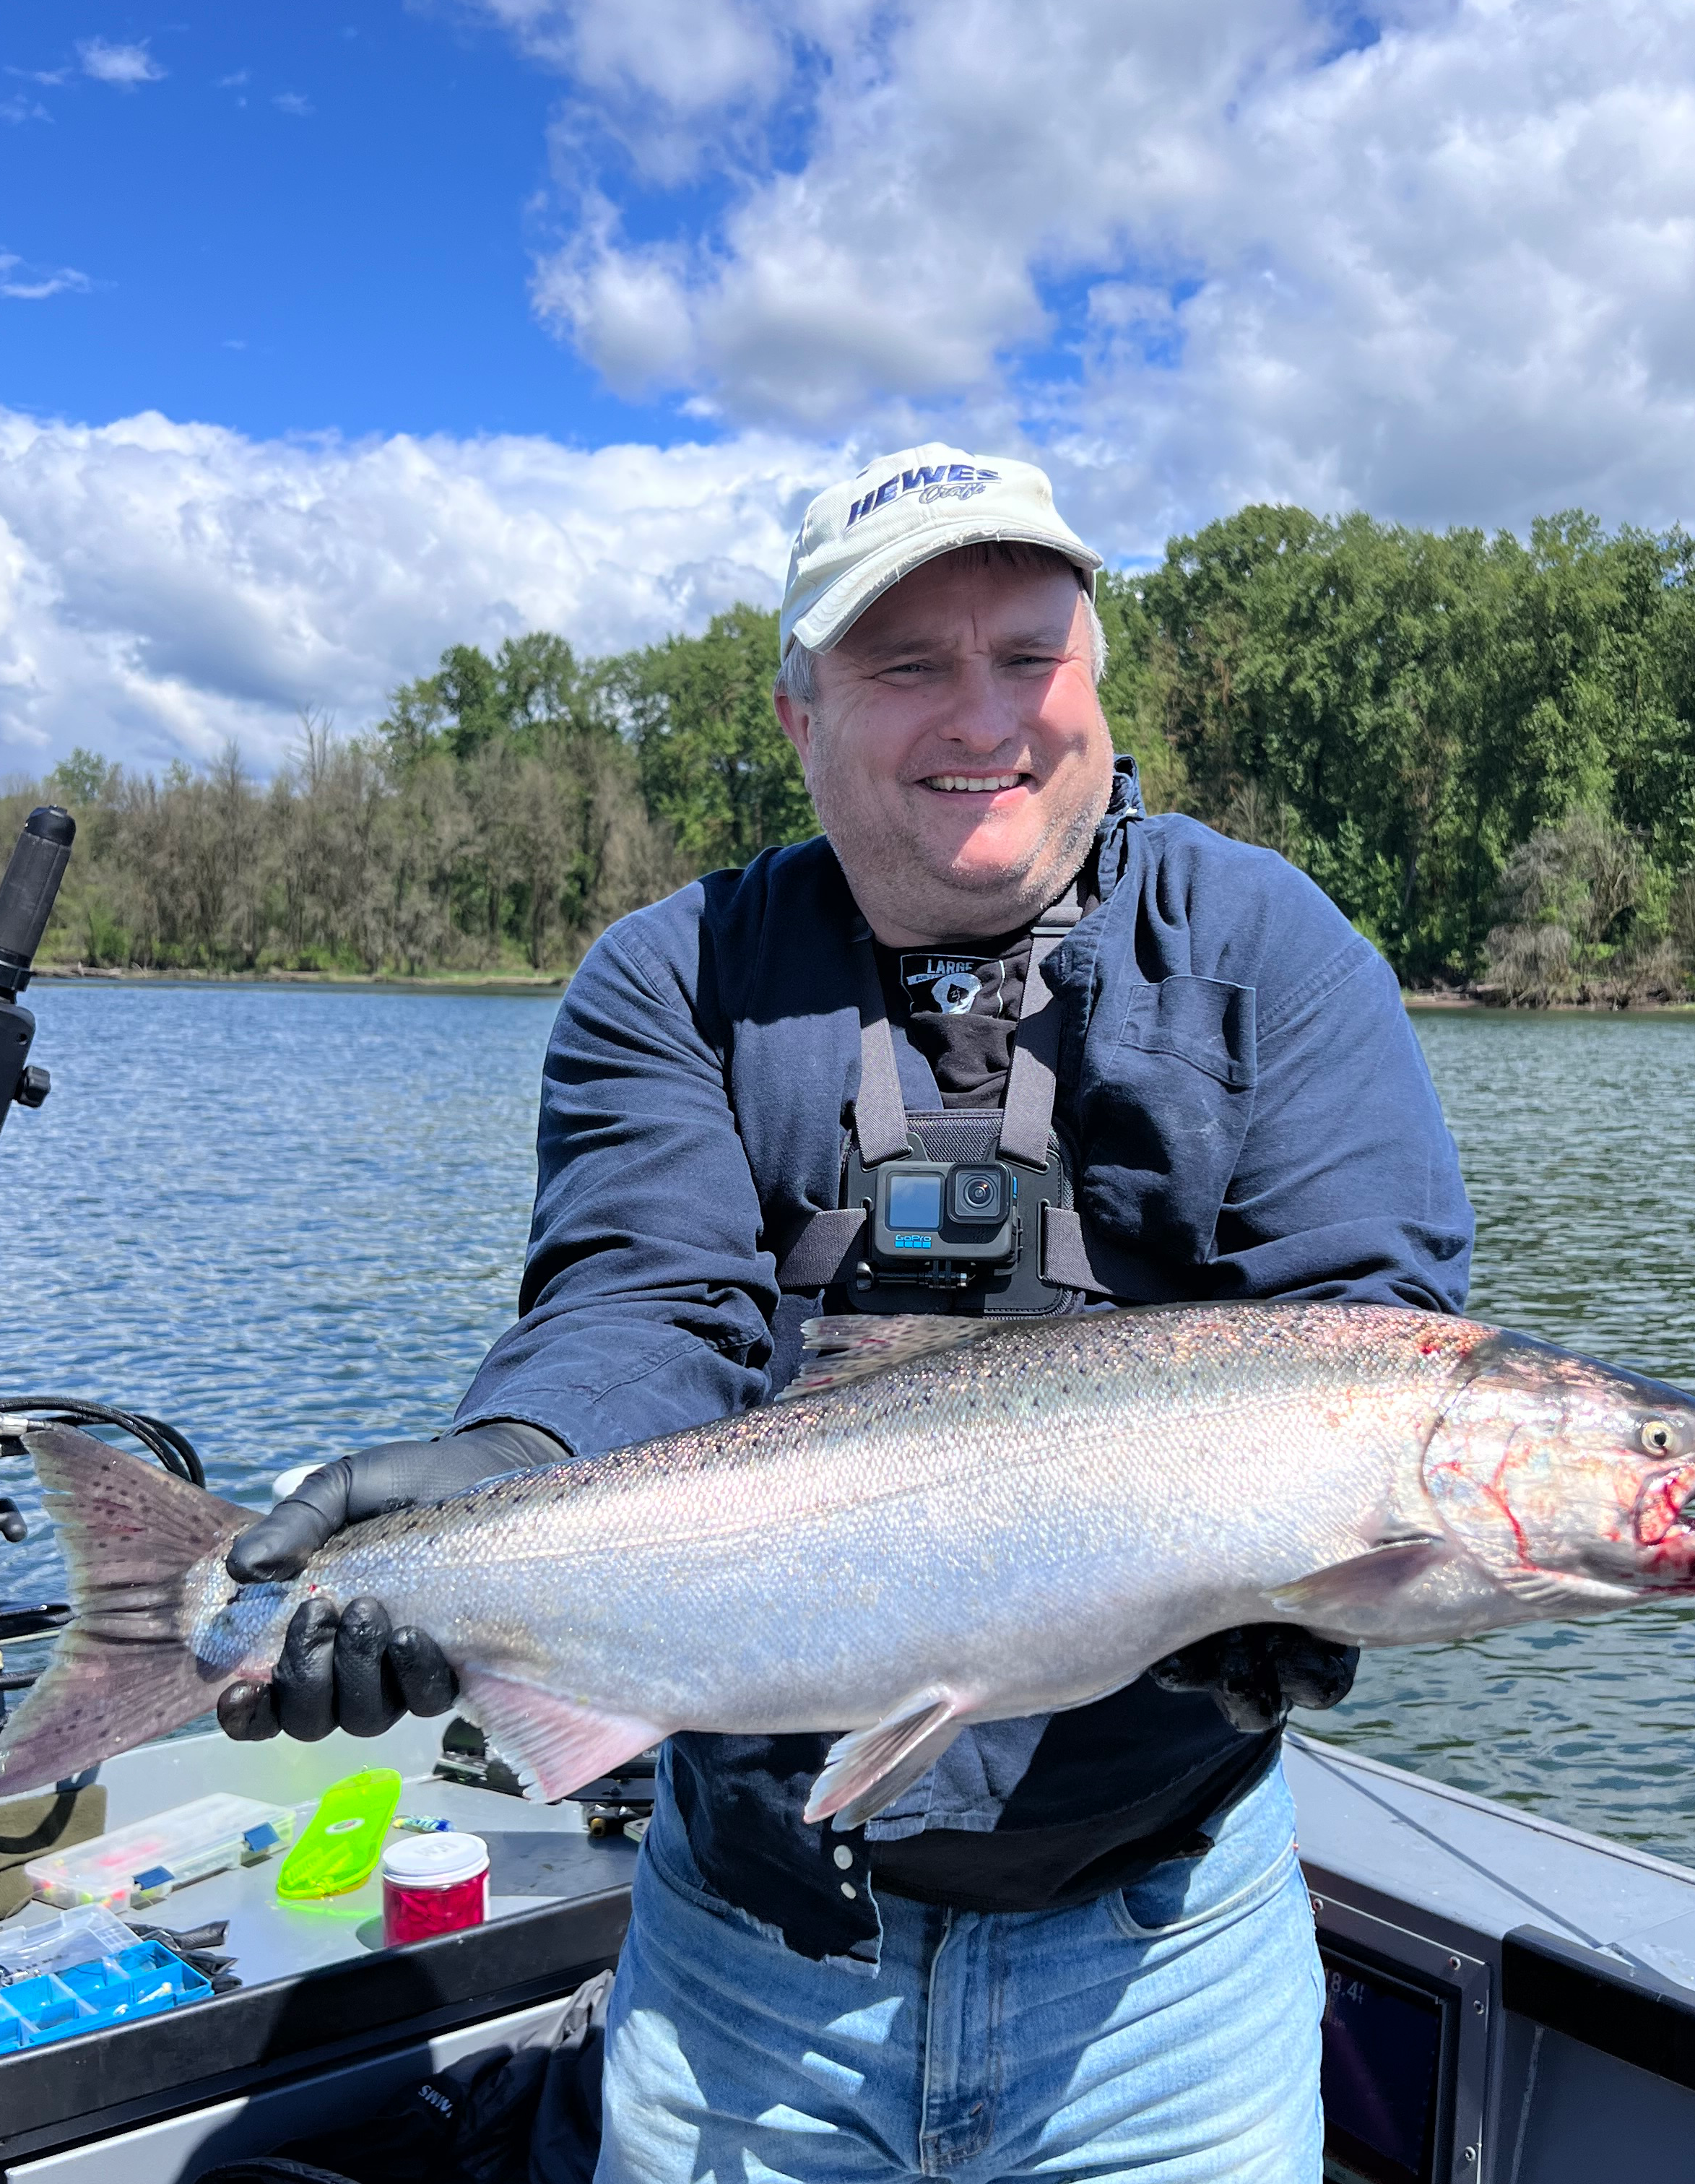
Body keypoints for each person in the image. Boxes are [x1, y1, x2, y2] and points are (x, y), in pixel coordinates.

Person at [222, 442, 1475, 2181]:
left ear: (1094, 678)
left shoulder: (1273, 948)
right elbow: (645, 1306)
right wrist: (511, 1461)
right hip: (743, 1966)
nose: (987, 717)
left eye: (1028, 655)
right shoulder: (674, 978)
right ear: (802, 717)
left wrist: (1322, 1564)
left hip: (1164, 1968)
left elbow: (1368, 1329)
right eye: (908, 667)